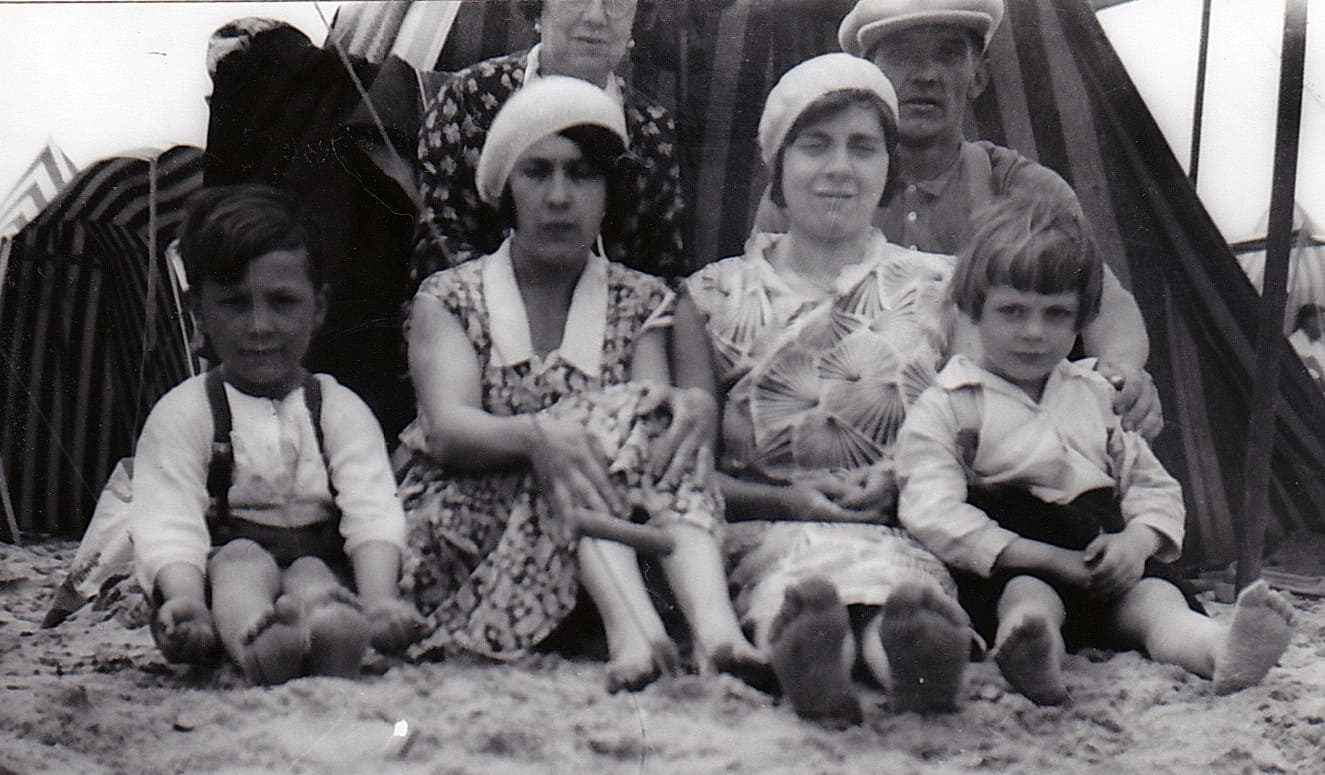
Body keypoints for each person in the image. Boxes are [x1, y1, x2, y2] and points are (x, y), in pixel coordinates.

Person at [397, 76, 765, 693]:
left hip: (612, 532)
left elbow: (646, 435)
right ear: (506, 190)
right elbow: (450, 430)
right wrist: (541, 438)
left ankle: (717, 636)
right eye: (537, 173)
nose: (560, 196)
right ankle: (636, 632)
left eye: (583, 174)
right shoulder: (453, 296)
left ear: (609, 192)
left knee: (645, 424)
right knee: (593, 433)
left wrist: (668, 414)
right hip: (466, 534)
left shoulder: (642, 299)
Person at [895, 192, 1294, 706]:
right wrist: (1049, 559)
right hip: (1018, 557)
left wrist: (1137, 543)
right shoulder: (950, 403)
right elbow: (931, 509)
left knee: (1161, 604)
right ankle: (1033, 653)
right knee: (1029, 601)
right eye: (1012, 310)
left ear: (1081, 318)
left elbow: (1153, 486)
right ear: (974, 308)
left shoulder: (1096, 394)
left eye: (1056, 314)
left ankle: (1221, 651)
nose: (1034, 332)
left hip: (1107, 556)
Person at [686, 54, 974, 725]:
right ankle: (819, 655)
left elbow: (979, 431)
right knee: (793, 590)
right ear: (778, 169)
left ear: (887, 168)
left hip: (902, 526)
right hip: (765, 530)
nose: (838, 168)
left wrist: (905, 482)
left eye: (861, 147)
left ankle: (901, 660)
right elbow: (688, 474)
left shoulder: (945, 288)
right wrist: (786, 500)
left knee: (902, 593)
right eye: (814, 146)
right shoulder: (711, 297)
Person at [130, 185, 420, 685]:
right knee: (240, 566)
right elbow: (168, 519)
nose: (260, 326)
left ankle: (337, 628)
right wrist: (183, 598)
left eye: (282, 302)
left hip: (319, 557)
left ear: (319, 307)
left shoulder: (338, 409)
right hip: (230, 561)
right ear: (199, 311)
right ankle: (259, 641)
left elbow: (373, 508)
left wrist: (379, 599)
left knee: (314, 577)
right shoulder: (186, 413)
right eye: (235, 303)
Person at [834, 0, 1162, 438]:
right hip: (855, 438)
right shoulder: (824, 188)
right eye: (902, 53)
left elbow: (1103, 304)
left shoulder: (1024, 189)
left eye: (950, 53)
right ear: (868, 78)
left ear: (979, 77)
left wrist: (1122, 374)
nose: (927, 74)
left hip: (995, 444)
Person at [412, 0, 686, 282]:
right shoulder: (471, 98)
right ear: (538, 7)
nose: (595, 16)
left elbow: (664, 269)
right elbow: (440, 246)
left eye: (616, 1)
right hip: (483, 313)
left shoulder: (651, 127)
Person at [1289, 304, 1325, 390]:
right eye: (1323, 322)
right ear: (1310, 321)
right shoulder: (1293, 343)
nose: (1324, 328)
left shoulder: (1319, 347)